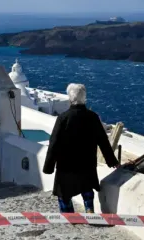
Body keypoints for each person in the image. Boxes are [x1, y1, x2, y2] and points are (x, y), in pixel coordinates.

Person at [42, 83, 120, 213]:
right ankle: (89, 211)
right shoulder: (93, 117)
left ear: (70, 98)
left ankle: (69, 216)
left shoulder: (63, 118)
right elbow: (103, 141)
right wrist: (112, 161)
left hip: (66, 165)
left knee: (64, 194)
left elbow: (54, 143)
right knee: (87, 189)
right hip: (87, 163)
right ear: (84, 98)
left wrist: (48, 166)